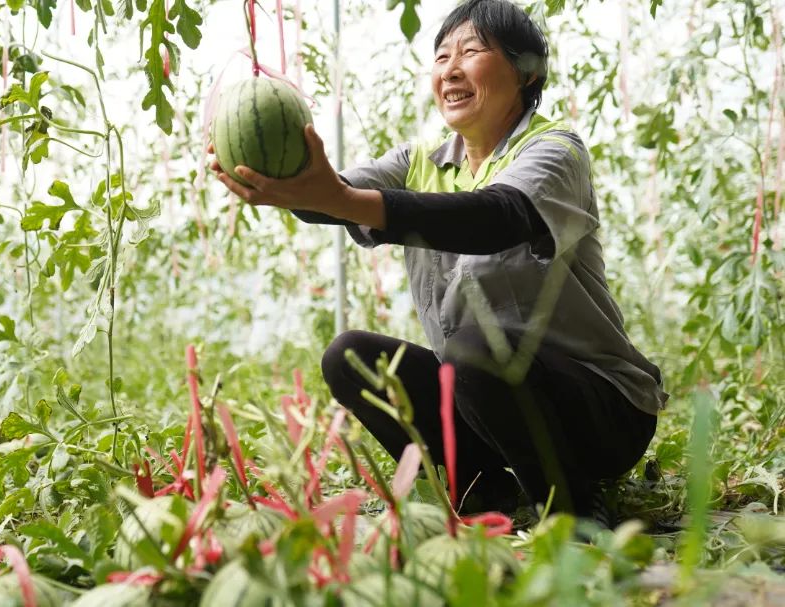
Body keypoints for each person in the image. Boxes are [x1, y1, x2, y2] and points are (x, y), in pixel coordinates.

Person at [208, 0, 667, 525]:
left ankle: (571, 508)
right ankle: (483, 490)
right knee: (350, 356)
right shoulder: (419, 161)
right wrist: (280, 180)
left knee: (475, 348)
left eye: (471, 51)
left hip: (599, 413)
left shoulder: (555, 149)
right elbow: (332, 197)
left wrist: (334, 198)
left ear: (527, 72)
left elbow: (496, 216)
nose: (450, 68)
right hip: (487, 398)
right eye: (441, 55)